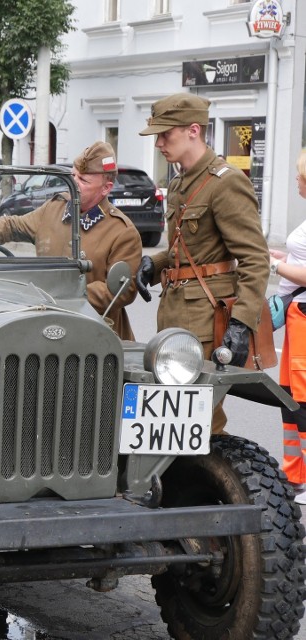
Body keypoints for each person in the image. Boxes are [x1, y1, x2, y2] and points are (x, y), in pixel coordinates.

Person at [135, 93, 269, 435]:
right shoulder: (180, 183)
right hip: (174, 314)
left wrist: (241, 324)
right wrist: (155, 264)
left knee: (201, 417)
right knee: (171, 417)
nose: (159, 144)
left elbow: (255, 259)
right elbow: (188, 248)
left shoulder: (225, 183)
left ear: (194, 130)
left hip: (207, 320)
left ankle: (210, 484)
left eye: (167, 135)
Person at [0, 141, 141, 340]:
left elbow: (122, 290)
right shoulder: (55, 208)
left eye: (84, 180)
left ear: (106, 188)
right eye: (73, 176)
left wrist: (62, 297)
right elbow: (15, 225)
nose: (74, 183)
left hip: (96, 335)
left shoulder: (122, 231)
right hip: (45, 328)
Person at [269, 149, 306, 503]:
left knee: (304, 399)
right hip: (298, 316)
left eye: (299, 176)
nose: (296, 180)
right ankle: (295, 472)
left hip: (305, 317)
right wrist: (285, 257)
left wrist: (275, 267)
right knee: (290, 397)